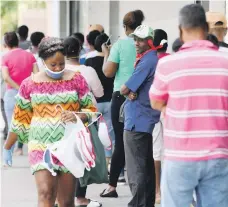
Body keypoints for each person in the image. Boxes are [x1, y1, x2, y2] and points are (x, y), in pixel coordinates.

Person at [150, 4, 228, 207]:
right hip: (218, 154)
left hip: (180, 156)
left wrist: (174, 108)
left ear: (180, 30)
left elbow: (156, 101)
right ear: (206, 28)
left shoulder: (168, 64)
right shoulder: (225, 62)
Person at [3, 37, 97, 207]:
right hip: (41, 145)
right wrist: (8, 146)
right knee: (46, 193)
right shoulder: (29, 84)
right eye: (53, 64)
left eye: (61, 63)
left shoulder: (77, 80)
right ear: (43, 61)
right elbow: (20, 120)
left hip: (69, 146)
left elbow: (91, 110)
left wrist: (79, 115)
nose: (58, 68)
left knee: (66, 201)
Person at [100, 9, 145, 198]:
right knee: (141, 141)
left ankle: (112, 186)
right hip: (141, 96)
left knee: (120, 142)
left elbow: (108, 72)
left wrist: (106, 53)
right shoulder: (145, 43)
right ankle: (141, 186)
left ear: (125, 27)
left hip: (121, 97)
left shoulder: (119, 44)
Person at [120, 25, 160, 207]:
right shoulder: (152, 59)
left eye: (141, 39)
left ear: (150, 41)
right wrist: (130, 92)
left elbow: (124, 88)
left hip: (138, 120)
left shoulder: (147, 61)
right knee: (145, 168)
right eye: (135, 39)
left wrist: (128, 92)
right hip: (144, 119)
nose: (136, 43)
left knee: (137, 171)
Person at [1, 32, 39, 157]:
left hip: (12, 93)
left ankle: (9, 153)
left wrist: (18, 88)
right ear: (17, 41)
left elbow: (6, 77)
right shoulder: (30, 56)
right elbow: (37, 75)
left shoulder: (5, 57)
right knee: (25, 121)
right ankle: (20, 148)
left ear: (6, 43)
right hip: (28, 94)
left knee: (13, 124)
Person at [85, 33, 115, 168]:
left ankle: (97, 163)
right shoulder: (114, 61)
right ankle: (109, 163)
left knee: (95, 135)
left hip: (94, 103)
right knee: (110, 134)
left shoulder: (89, 62)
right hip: (111, 101)